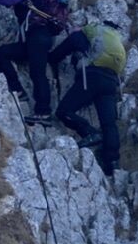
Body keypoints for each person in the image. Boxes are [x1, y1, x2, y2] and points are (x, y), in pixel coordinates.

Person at [51, 19, 126, 176]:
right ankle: (112, 163)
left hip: (92, 77)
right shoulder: (115, 41)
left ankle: (90, 132)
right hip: (111, 82)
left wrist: (51, 58)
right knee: (109, 124)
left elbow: (67, 46)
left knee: (63, 111)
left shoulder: (88, 33)